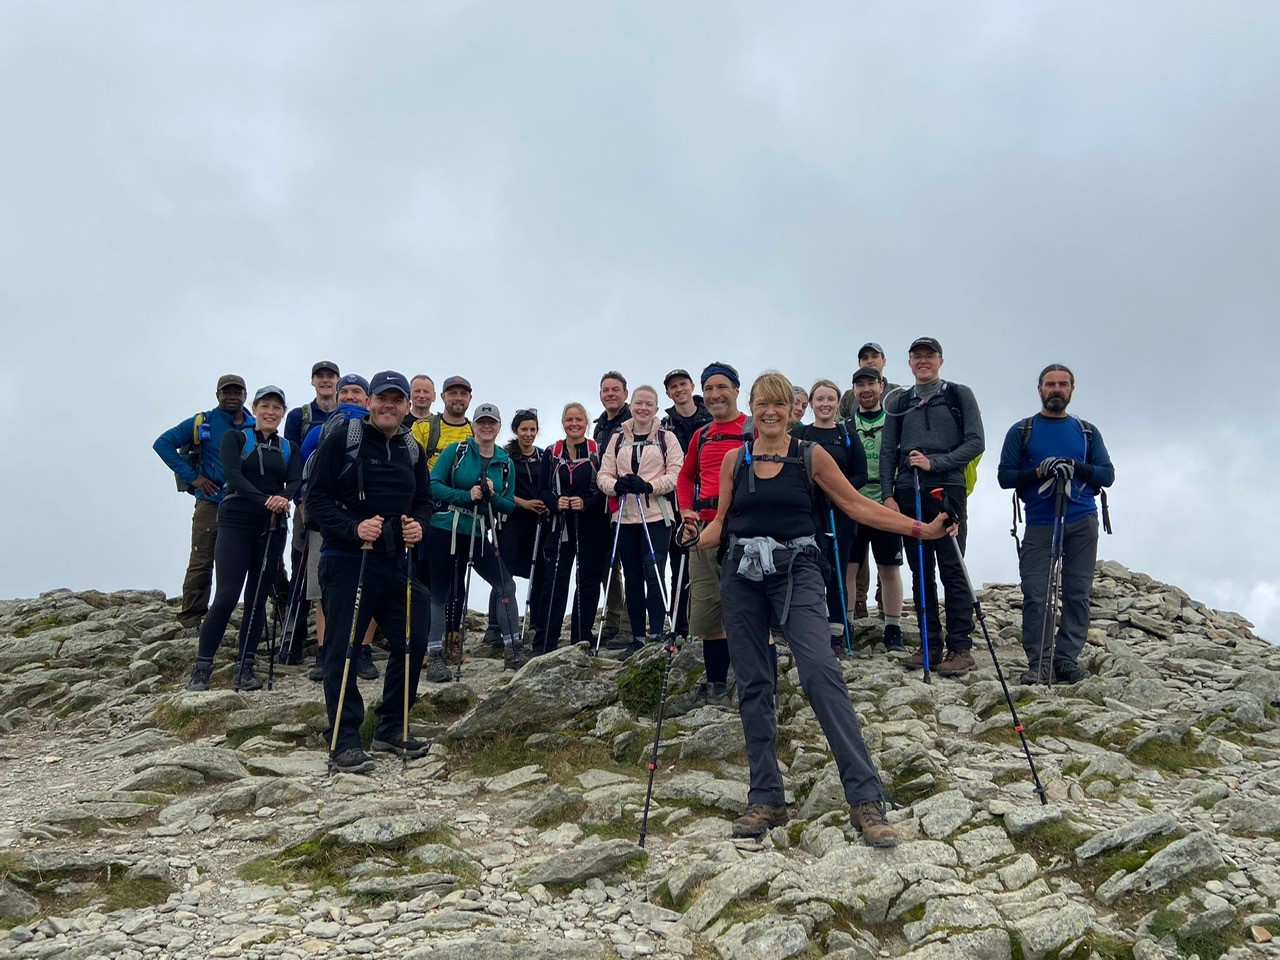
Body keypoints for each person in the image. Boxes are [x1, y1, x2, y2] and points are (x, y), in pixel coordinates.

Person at [689, 371, 952, 845]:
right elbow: (720, 524)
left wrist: (922, 530)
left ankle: (866, 800)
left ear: (793, 410)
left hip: (798, 571)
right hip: (741, 575)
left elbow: (857, 506)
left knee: (819, 671)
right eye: (762, 403)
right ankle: (765, 797)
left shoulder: (810, 455)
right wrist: (693, 537)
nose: (770, 411)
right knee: (753, 683)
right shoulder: (735, 458)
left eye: (780, 404)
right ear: (753, 408)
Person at [305, 370, 432, 773]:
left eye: (397, 399)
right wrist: (352, 528)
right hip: (347, 559)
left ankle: (392, 725)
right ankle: (343, 738)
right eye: (382, 398)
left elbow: (424, 500)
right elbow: (316, 498)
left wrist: (419, 525)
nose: (389, 405)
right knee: (342, 649)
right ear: (369, 402)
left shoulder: (412, 448)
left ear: (407, 406)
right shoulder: (344, 438)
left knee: (412, 637)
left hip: (395, 559)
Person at [998, 364, 1114, 685]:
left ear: (1072, 390)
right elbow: (1004, 477)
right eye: (1050, 384)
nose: (1056, 390)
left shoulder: (1087, 431)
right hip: (1039, 522)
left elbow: (1107, 474)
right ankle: (1040, 663)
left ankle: (1065, 661)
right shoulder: (1022, 431)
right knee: (1036, 593)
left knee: (1077, 594)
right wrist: (1038, 472)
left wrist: (1076, 468)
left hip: (1081, 520)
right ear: (1040, 390)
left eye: (1063, 384)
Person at [880, 337, 985, 677]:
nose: (922, 361)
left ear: (941, 360)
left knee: (952, 567)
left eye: (929, 356)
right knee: (920, 569)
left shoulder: (959, 394)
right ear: (909, 362)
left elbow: (976, 441)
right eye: (916, 356)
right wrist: (888, 495)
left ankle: (960, 648)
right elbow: (887, 451)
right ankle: (930, 644)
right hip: (907, 490)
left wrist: (934, 463)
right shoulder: (898, 401)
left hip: (947, 488)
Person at [187, 386, 300, 691]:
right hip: (236, 519)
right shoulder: (235, 438)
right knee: (226, 596)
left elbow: (295, 481)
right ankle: (202, 667)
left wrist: (283, 498)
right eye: (265, 406)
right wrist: (268, 499)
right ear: (255, 407)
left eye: (277, 408)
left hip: (272, 525)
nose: (271, 412)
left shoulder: (288, 447)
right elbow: (233, 475)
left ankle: (246, 666)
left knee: (257, 598)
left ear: (283, 412)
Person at [670, 362, 749, 713]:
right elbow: (686, 477)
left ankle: (758, 689)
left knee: (752, 609)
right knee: (708, 608)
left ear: (735, 389)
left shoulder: (752, 428)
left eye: (722, 387)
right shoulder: (702, 435)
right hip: (702, 527)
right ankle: (717, 685)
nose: (715, 395)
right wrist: (686, 511)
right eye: (710, 389)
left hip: (745, 527)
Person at [423, 403, 520, 680]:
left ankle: (513, 649)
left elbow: (509, 505)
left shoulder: (505, 463)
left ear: (499, 426)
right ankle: (435, 657)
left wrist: (492, 497)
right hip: (445, 528)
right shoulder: (457, 451)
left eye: (491, 422)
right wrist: (467, 496)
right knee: (439, 592)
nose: (486, 426)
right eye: (481, 422)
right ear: (474, 425)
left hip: (477, 533)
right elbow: (432, 484)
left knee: (505, 584)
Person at [153, 374, 255, 631]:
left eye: (237, 392)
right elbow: (162, 443)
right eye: (226, 392)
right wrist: (193, 478)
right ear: (217, 394)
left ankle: (269, 613)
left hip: (245, 503)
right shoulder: (203, 422)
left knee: (259, 559)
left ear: (245, 395)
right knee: (202, 559)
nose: (232, 396)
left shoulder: (255, 425)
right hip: (211, 502)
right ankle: (191, 620)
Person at [297, 375, 379, 683]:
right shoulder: (318, 432)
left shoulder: (380, 431)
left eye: (357, 391)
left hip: (366, 520)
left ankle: (359, 650)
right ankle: (327, 651)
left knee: (367, 584)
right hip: (330, 520)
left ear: (368, 399)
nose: (350, 396)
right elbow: (308, 478)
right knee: (324, 589)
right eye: (345, 391)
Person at [597, 385, 684, 651]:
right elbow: (603, 473)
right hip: (624, 516)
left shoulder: (666, 438)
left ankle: (657, 631)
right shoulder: (617, 438)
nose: (643, 408)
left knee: (653, 570)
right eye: (638, 403)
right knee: (633, 576)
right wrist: (616, 486)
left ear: (656, 409)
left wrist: (648, 486)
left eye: (648, 404)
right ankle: (638, 636)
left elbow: (676, 473)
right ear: (631, 405)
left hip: (657, 515)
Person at [792, 379, 867, 653]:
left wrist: (838, 489)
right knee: (807, 569)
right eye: (820, 399)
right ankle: (808, 626)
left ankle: (837, 631)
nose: (825, 404)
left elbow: (861, 473)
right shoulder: (800, 433)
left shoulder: (847, 434)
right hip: (808, 511)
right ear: (810, 404)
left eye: (830, 399)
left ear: (838, 403)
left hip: (841, 512)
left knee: (837, 569)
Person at [531, 403, 606, 655]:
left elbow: (605, 491)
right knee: (554, 581)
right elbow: (541, 488)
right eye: (569, 419)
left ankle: (581, 640)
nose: (574, 424)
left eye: (579, 419)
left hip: (591, 524)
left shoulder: (597, 451)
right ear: (563, 423)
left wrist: (586, 503)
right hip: (559, 524)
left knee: (587, 581)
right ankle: (544, 643)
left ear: (586, 422)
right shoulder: (552, 452)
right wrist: (555, 502)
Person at [846, 366, 907, 652]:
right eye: (860, 385)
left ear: (882, 386)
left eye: (871, 383)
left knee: (889, 567)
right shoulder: (846, 425)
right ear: (854, 390)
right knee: (849, 567)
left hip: (886, 502)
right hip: (854, 503)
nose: (866, 389)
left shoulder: (895, 421)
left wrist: (892, 494)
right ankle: (844, 624)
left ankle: (893, 627)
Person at [282, 360, 341, 648]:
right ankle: (295, 633)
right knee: (301, 565)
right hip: (306, 502)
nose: (325, 380)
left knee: (329, 568)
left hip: (339, 505)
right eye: (320, 376)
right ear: (313, 381)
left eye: (330, 376)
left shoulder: (352, 416)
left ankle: (327, 636)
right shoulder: (299, 416)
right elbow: (292, 461)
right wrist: (300, 502)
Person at [485, 409, 549, 654]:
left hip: (537, 522)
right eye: (524, 429)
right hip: (510, 519)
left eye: (533, 429)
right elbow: (500, 490)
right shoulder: (504, 457)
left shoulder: (543, 457)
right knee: (503, 572)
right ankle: (494, 627)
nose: (529, 434)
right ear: (515, 430)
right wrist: (525, 504)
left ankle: (535, 622)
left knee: (539, 570)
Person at [661, 369, 713, 637]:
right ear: (668, 393)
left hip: (710, 501)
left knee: (708, 564)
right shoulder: (664, 425)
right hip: (675, 504)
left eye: (683, 384)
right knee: (678, 565)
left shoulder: (711, 418)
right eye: (673, 387)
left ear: (692, 386)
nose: (679, 389)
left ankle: (708, 623)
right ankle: (680, 626)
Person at [594, 372, 631, 645]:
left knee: (631, 561)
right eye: (606, 390)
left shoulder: (632, 421)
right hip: (603, 500)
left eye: (615, 390)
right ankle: (613, 618)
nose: (610, 394)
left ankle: (630, 623)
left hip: (629, 499)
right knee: (609, 561)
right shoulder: (599, 426)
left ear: (625, 393)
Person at [413, 375, 474, 469]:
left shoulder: (476, 430)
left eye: (463, 394)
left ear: (470, 398)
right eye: (453, 393)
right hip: (430, 483)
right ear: (443, 396)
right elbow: (412, 464)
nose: (458, 398)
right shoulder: (422, 426)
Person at [839, 341, 902, 420]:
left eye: (875, 356)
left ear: (884, 361)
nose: (870, 361)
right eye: (865, 358)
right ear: (859, 363)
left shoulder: (898, 393)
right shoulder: (848, 398)